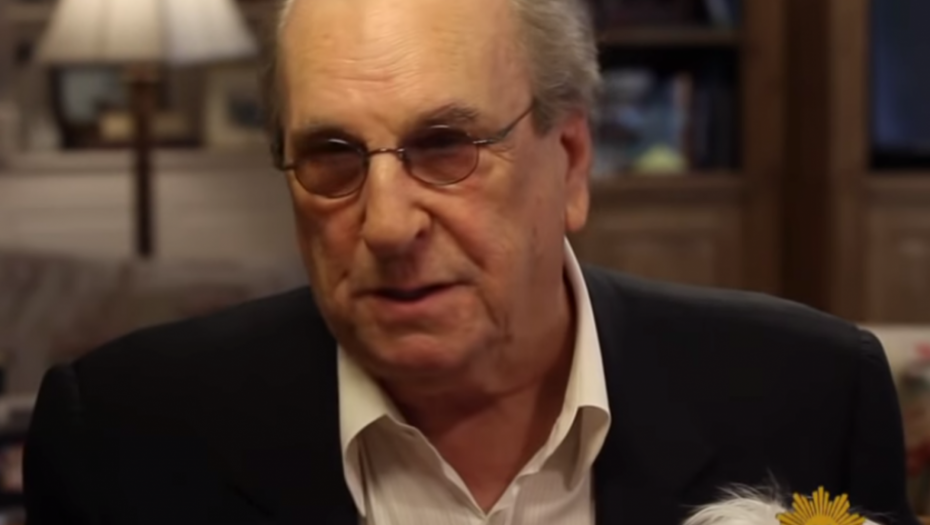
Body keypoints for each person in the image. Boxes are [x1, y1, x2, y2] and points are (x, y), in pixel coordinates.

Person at [22, 0, 919, 524]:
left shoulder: (809, 394)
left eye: (446, 146)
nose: (385, 225)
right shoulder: (120, 437)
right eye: (332, 155)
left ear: (571, 162)